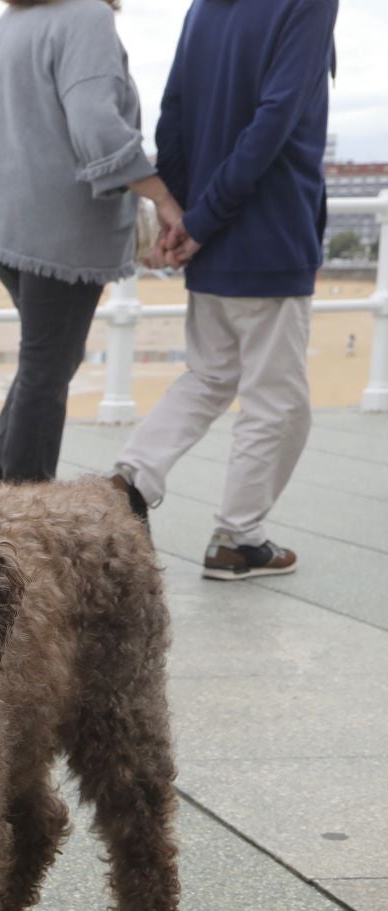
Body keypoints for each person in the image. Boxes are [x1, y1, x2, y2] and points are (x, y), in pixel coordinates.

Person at [112, 0, 338, 580]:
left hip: (210, 235)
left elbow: (175, 114)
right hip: (269, 233)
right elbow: (278, 116)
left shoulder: (205, 6)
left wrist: (183, 215)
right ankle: (239, 540)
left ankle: (128, 485)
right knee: (279, 402)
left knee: (209, 376)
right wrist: (201, 220)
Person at [0, 0, 184, 484]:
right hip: (57, 229)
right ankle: (21, 510)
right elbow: (96, 126)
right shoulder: (85, 15)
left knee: (46, 358)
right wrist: (162, 197)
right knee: (47, 365)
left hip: (3, 221)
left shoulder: (9, 23)